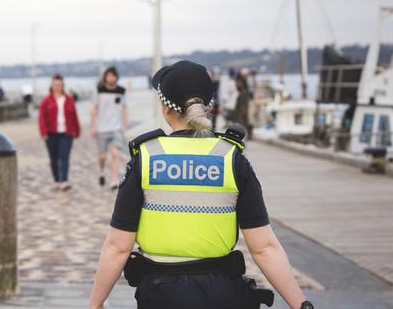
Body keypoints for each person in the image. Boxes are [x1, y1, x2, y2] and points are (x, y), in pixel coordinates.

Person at [89, 60, 313, 309]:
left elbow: (118, 248)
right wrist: (300, 304)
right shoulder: (232, 159)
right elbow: (265, 249)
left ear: (165, 108)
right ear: (208, 106)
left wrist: (96, 304)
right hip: (224, 295)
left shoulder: (146, 159)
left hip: (161, 296)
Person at [38, 74, 81, 191]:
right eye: (55, 84)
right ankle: (56, 180)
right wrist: (43, 132)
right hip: (51, 134)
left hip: (66, 134)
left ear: (63, 86)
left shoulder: (69, 100)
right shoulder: (46, 101)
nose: (57, 87)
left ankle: (64, 181)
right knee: (54, 158)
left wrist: (77, 131)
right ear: (51, 86)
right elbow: (41, 118)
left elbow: (74, 116)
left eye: (59, 85)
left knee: (65, 157)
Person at [90, 66, 128, 189]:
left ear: (116, 77)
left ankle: (113, 180)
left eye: (113, 75)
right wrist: (93, 126)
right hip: (101, 129)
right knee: (102, 156)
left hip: (115, 128)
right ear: (105, 77)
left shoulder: (121, 91)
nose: (111, 78)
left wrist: (123, 125)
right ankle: (101, 172)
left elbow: (125, 108)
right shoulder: (99, 90)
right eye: (109, 75)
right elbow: (94, 108)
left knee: (115, 153)